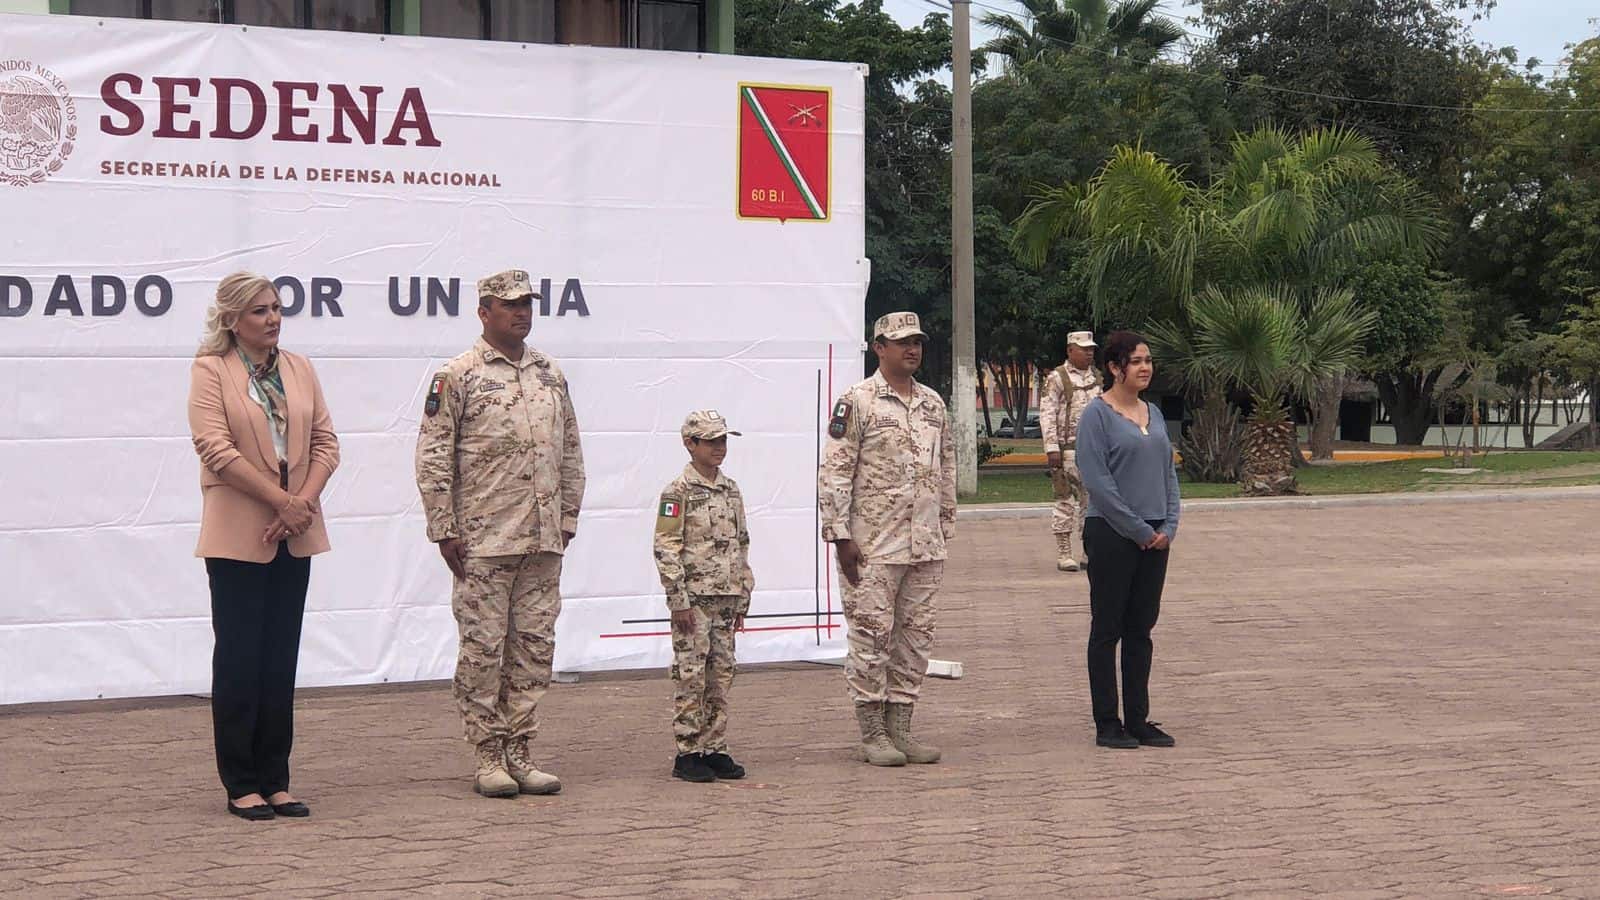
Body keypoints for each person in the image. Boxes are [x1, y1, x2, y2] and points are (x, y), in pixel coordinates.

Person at [414, 268, 586, 798]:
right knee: (484, 650)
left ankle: (521, 750)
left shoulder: (550, 374)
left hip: (541, 540)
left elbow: (570, 450)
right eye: (509, 305)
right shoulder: (459, 375)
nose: (521, 313)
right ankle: (487, 754)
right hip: (484, 541)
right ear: (484, 312)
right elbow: (434, 454)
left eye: (527, 303)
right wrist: (444, 528)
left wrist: (567, 517)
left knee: (533, 649)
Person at [187, 271, 340, 821]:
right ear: (231, 319)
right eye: (259, 311)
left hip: (293, 532)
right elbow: (214, 448)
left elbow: (326, 442)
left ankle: (276, 779)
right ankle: (241, 782)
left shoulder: (300, 368)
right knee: (239, 659)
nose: (273, 318)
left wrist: (300, 503)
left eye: (277, 308)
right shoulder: (212, 370)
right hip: (240, 533)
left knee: (280, 660)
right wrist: (281, 500)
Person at [818, 311, 956, 767]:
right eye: (901, 343)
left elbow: (947, 469)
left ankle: (902, 727)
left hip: (924, 545)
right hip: (873, 545)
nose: (911, 349)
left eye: (916, 341)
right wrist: (839, 537)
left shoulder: (934, 404)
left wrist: (945, 526)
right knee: (871, 638)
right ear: (879, 348)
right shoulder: (857, 401)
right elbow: (835, 471)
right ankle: (872, 731)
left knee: (915, 639)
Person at [1073, 330, 1181, 751]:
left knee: (1141, 629)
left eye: (1148, 360)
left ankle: (1139, 718)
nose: (1145, 367)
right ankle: (1108, 722)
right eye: (1136, 361)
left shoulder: (1152, 412)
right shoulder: (1096, 416)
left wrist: (1168, 527)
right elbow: (1098, 483)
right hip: (1113, 533)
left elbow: (1168, 474)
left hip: (1156, 536)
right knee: (1107, 629)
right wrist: (1137, 530)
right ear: (1115, 368)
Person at [652, 410, 755, 783]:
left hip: (725, 599)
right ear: (690, 444)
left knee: (721, 676)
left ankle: (715, 747)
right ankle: (688, 751)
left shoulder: (731, 490)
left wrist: (743, 596)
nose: (719, 448)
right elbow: (666, 547)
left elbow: (741, 544)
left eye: (723, 440)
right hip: (694, 601)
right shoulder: (677, 492)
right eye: (711, 441)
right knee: (691, 675)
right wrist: (678, 600)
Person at [1039, 330, 1103, 572]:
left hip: (1094, 450)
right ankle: (1064, 552)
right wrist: (1051, 448)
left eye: (1091, 349)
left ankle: (1089, 550)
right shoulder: (1057, 377)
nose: (1089, 353)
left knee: (1092, 503)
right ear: (1070, 350)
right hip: (1067, 450)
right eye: (1084, 348)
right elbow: (1047, 414)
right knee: (1064, 501)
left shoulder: (1097, 378)